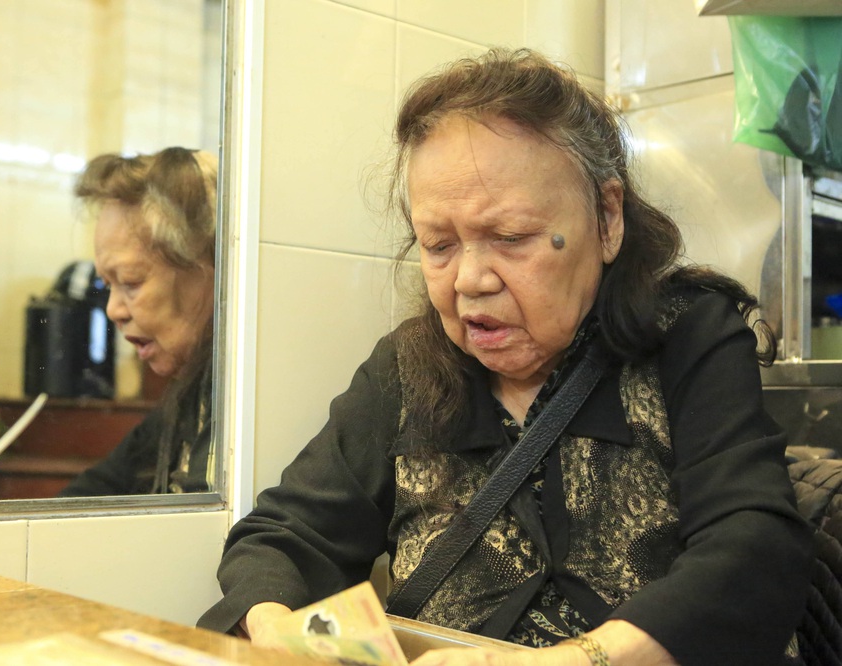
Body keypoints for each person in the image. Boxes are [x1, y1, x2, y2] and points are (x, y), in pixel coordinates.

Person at [197, 49, 814, 665]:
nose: (469, 280)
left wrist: (565, 662)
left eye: (511, 238)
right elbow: (283, 537)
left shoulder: (689, 335)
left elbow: (754, 550)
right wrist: (275, 627)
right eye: (439, 245)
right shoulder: (408, 369)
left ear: (606, 218)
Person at [59, 147, 217, 496]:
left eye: (130, 281)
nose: (113, 310)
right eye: (107, 284)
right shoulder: (182, 403)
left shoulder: (242, 408)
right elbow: (93, 492)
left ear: (210, 267)